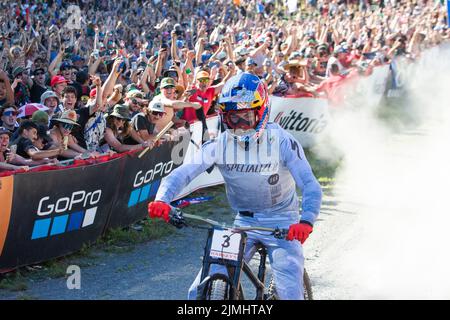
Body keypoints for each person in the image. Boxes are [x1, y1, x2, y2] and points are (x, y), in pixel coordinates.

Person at [148, 73, 322, 300]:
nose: (239, 127)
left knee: (290, 290)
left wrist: (306, 221)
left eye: (245, 117)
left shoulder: (282, 140)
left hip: (282, 222)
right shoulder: (219, 144)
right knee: (197, 290)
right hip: (243, 222)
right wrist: (162, 199)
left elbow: (310, 185)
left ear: (261, 113)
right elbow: (181, 174)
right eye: (232, 119)